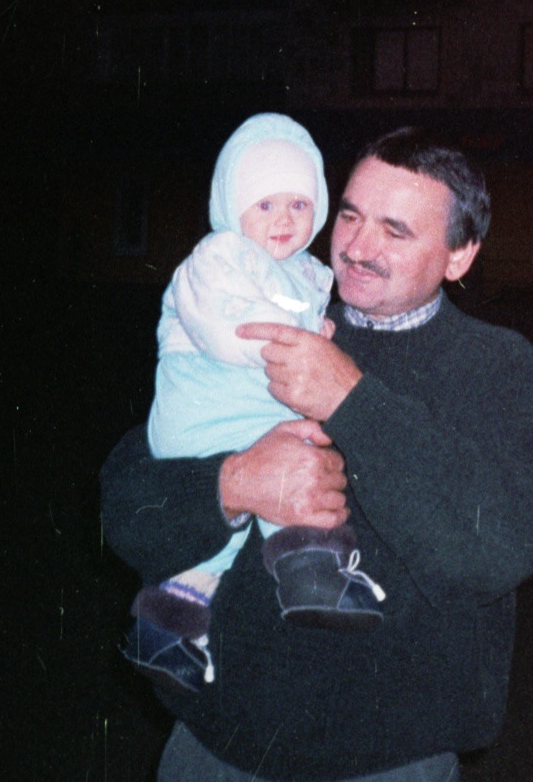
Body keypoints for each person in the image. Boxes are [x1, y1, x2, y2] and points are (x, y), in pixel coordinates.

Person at [101, 126, 533, 782]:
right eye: (349, 215)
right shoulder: (266, 310)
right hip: (212, 773)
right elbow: (120, 499)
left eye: (396, 229)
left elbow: (497, 543)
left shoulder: (495, 367)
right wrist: (231, 485)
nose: (356, 246)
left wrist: (348, 396)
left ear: (460, 255)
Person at [124, 112, 386, 693]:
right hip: (206, 408)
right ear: (232, 206)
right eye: (265, 205)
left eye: (298, 204)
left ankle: (169, 629)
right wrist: (301, 342)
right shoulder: (218, 255)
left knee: (245, 521)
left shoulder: (307, 272)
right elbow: (225, 329)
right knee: (274, 478)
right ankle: (311, 570)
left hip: (253, 409)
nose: (284, 220)